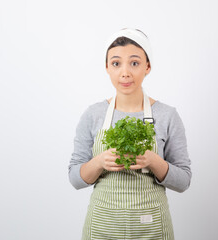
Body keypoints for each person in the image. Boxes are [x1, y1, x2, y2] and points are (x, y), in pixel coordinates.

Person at [68, 28, 192, 240]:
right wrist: (99, 162)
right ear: (107, 67)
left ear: (148, 66)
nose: (125, 72)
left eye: (134, 63)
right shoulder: (93, 114)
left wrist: (152, 160)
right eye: (116, 63)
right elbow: (75, 179)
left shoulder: (167, 115)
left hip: (151, 226)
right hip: (102, 227)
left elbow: (183, 182)